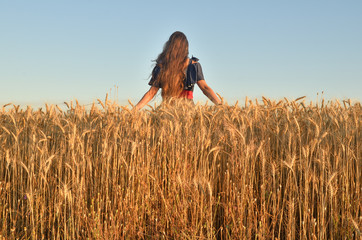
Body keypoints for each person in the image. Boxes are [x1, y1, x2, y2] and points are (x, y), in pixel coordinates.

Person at [135, 31, 221, 110]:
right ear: (185, 47)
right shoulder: (193, 65)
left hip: (167, 110)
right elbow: (205, 88)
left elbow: (151, 93)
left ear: (169, 46)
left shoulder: (161, 67)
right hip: (188, 111)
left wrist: (134, 110)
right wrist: (221, 106)